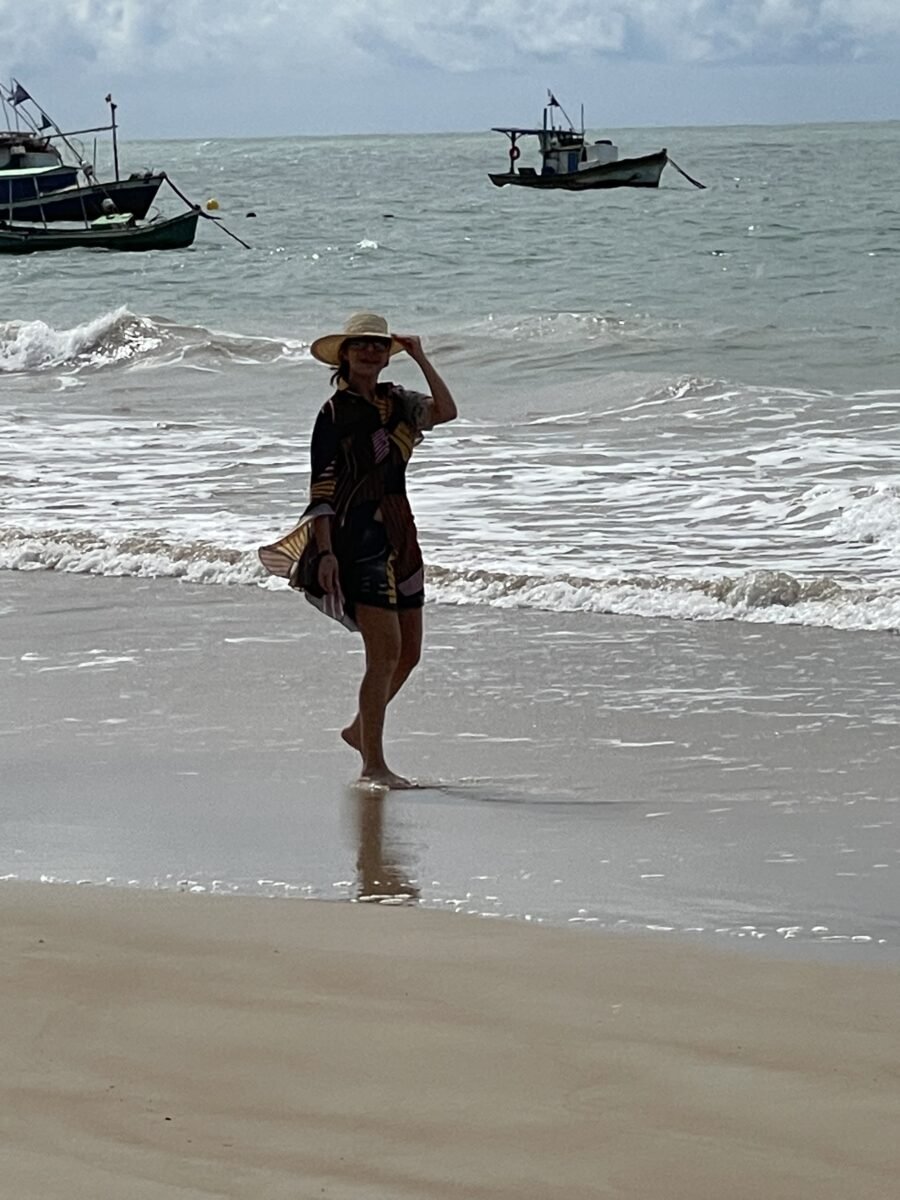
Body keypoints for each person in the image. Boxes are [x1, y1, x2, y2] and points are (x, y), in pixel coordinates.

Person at [259, 312, 457, 789]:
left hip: (401, 533)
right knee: (383, 656)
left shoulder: (398, 402)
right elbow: (322, 489)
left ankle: (358, 731)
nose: (370, 351)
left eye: (379, 345)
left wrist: (421, 357)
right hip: (356, 539)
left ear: (388, 356)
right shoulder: (333, 413)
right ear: (344, 355)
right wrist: (326, 552)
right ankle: (373, 765)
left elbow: (446, 411)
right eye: (361, 344)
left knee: (409, 654)